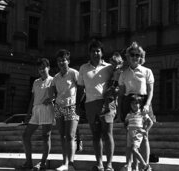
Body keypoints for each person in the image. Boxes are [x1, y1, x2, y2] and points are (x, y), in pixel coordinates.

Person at [77, 39, 115, 171]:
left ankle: (109, 164)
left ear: (102, 53)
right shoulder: (83, 68)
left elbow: (115, 84)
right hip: (90, 104)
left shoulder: (109, 67)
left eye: (98, 51)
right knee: (96, 134)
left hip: (106, 104)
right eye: (93, 51)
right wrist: (77, 105)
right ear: (89, 53)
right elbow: (80, 89)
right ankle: (99, 164)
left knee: (108, 134)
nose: (95, 53)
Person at [118, 42, 156, 171]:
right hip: (129, 103)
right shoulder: (123, 74)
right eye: (132, 54)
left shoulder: (147, 71)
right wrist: (119, 111)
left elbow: (150, 91)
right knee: (129, 136)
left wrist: (147, 104)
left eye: (137, 55)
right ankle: (129, 165)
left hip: (143, 102)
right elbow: (121, 95)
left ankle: (146, 165)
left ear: (141, 57)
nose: (135, 57)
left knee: (144, 135)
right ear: (127, 57)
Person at [20, 58, 55, 170]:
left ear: (48, 68)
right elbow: (32, 98)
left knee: (46, 136)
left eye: (43, 68)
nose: (41, 70)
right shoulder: (35, 82)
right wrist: (28, 114)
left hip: (47, 109)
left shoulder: (53, 80)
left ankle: (43, 163)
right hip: (36, 110)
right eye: (39, 69)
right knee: (25, 136)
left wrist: (51, 99)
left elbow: (59, 94)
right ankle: (28, 162)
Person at [51, 49, 80, 171]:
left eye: (63, 60)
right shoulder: (56, 77)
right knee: (62, 136)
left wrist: (79, 105)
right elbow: (52, 93)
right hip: (59, 107)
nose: (61, 63)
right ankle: (65, 163)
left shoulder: (74, 73)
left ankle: (71, 164)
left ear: (68, 60)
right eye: (59, 61)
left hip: (72, 106)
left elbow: (81, 89)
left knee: (70, 136)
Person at [123, 95, 153, 171]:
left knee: (134, 149)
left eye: (136, 103)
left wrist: (145, 131)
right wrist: (126, 128)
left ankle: (144, 165)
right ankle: (133, 167)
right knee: (130, 149)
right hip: (130, 134)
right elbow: (125, 123)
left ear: (140, 104)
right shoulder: (128, 115)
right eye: (132, 103)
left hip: (137, 134)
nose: (134, 105)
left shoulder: (142, 114)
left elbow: (150, 122)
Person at [101, 52, 124, 118]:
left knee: (106, 95)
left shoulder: (119, 71)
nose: (113, 65)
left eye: (115, 64)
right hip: (114, 85)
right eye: (112, 64)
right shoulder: (114, 70)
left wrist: (115, 87)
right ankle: (114, 111)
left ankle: (107, 109)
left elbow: (118, 81)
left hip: (116, 86)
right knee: (114, 100)